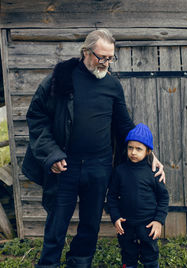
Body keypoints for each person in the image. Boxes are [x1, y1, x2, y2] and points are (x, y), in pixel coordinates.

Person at [22, 29, 165, 268]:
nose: (106, 63)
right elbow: (36, 117)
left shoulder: (112, 85)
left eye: (110, 58)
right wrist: (52, 154)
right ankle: (48, 264)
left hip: (99, 168)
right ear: (86, 52)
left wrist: (152, 156)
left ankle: (79, 263)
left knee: (90, 224)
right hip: (64, 166)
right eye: (102, 57)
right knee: (57, 223)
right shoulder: (60, 79)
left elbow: (124, 126)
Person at [107, 123, 169, 268]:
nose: (133, 152)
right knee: (128, 255)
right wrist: (115, 217)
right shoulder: (120, 171)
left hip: (147, 225)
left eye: (138, 149)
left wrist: (158, 221)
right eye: (130, 147)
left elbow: (164, 198)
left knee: (150, 255)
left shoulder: (153, 173)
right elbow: (112, 197)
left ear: (148, 152)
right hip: (126, 225)